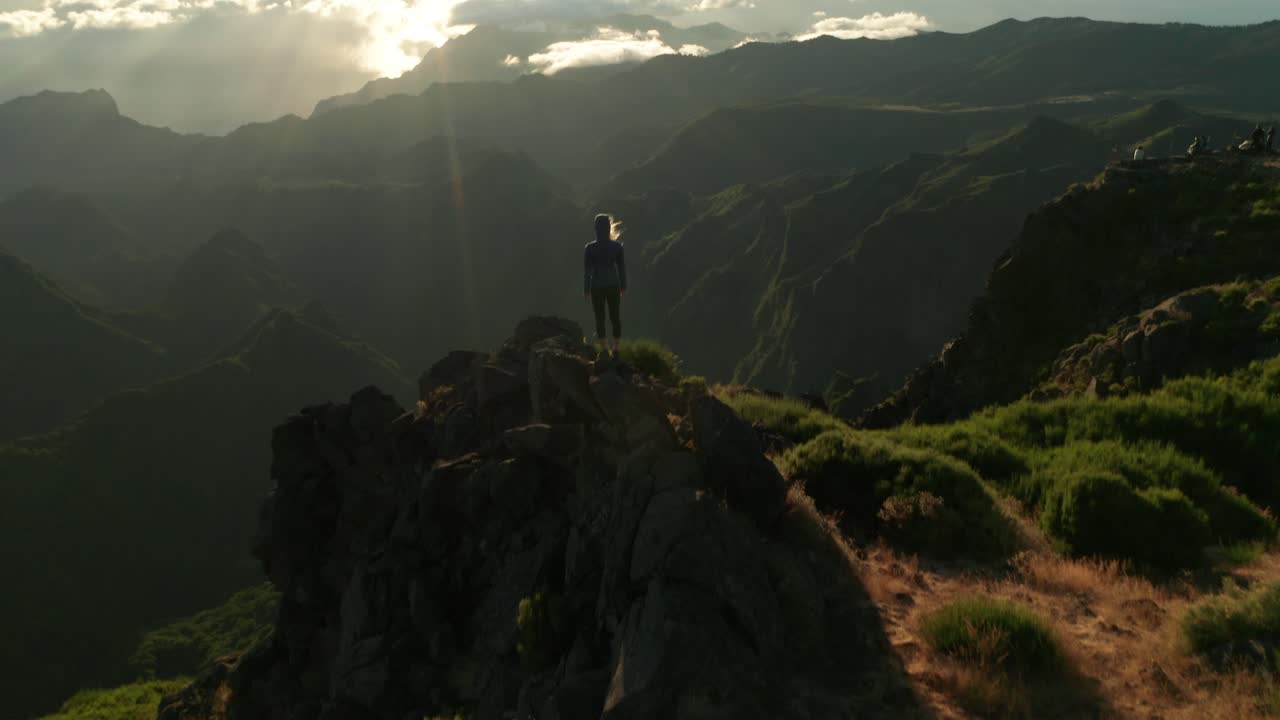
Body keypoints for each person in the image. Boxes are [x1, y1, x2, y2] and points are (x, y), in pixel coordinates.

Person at [584, 213, 627, 355]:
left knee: (599, 318)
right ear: (609, 228)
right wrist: (623, 286)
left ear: (596, 228)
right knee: (615, 316)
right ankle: (616, 348)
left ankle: (604, 348)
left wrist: (586, 289)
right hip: (614, 285)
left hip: (596, 287)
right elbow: (621, 269)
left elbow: (588, 272)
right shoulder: (617, 247)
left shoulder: (589, 248)